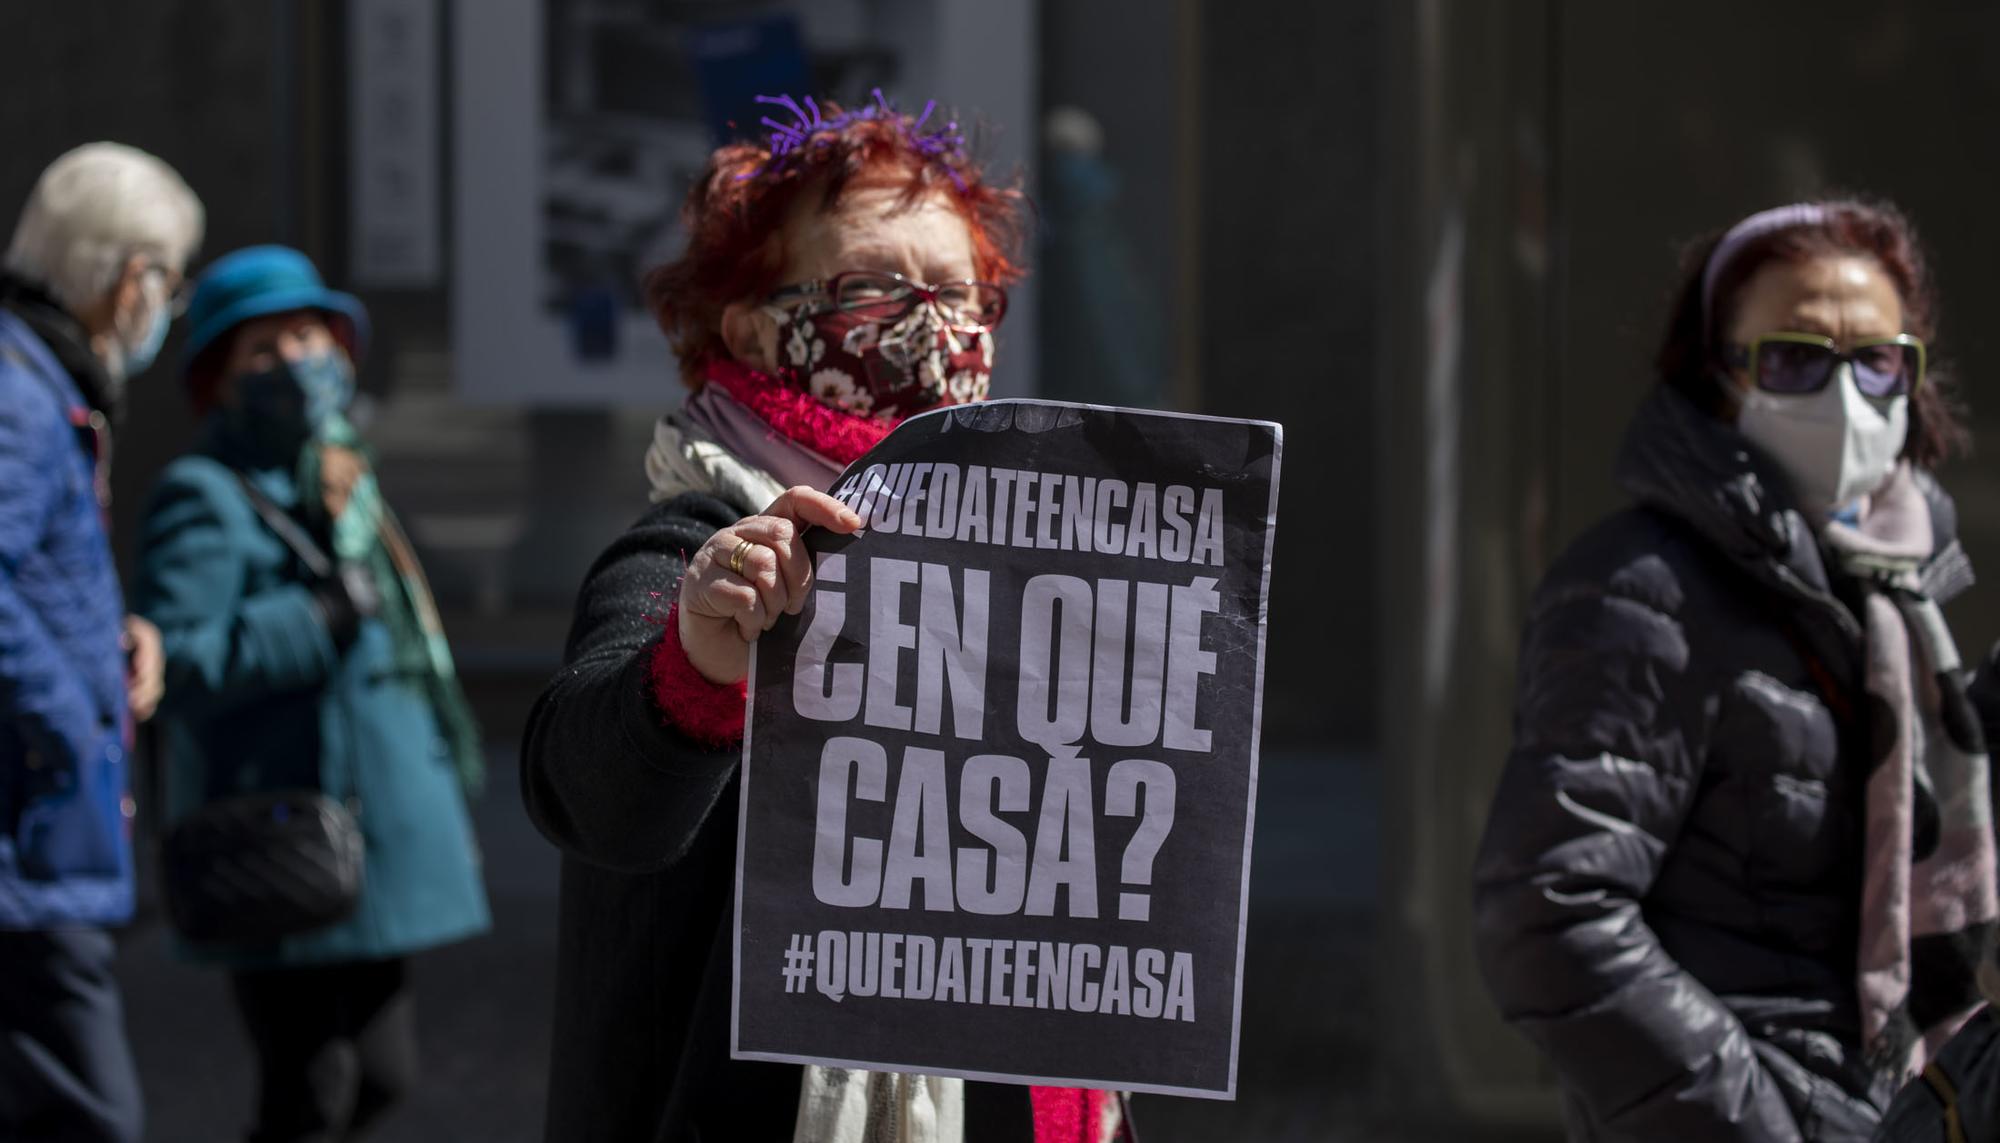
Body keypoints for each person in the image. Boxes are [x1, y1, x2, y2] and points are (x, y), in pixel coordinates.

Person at [519, 95, 1131, 1143]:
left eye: (956, 293)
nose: (928, 324)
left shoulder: (1032, 561)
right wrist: (700, 657)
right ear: (754, 325)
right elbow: (592, 794)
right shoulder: (697, 542)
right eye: (873, 285)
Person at [1472, 200, 1997, 1142]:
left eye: (1878, 361)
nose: (1845, 400)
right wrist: (1757, 1124)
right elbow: (1548, 912)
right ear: (1719, 380)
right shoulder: (1644, 589)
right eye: (1795, 357)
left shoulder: (1894, 592)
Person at [134, 246, 489, 1143]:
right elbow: (173, 661)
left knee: (383, 1077)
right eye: (262, 350)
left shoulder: (342, 475)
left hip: (369, 839)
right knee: (312, 1093)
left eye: (306, 334)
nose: (295, 361)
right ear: (218, 380)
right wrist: (315, 616)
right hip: (278, 838)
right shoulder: (203, 494)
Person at [0, 140, 200, 1143]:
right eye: (168, 275)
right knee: (92, 1115)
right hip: (26, 833)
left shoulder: (42, 380)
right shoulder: (22, 395)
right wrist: (72, 713)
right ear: (129, 277)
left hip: (40, 834)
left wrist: (109, 641)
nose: (166, 302)